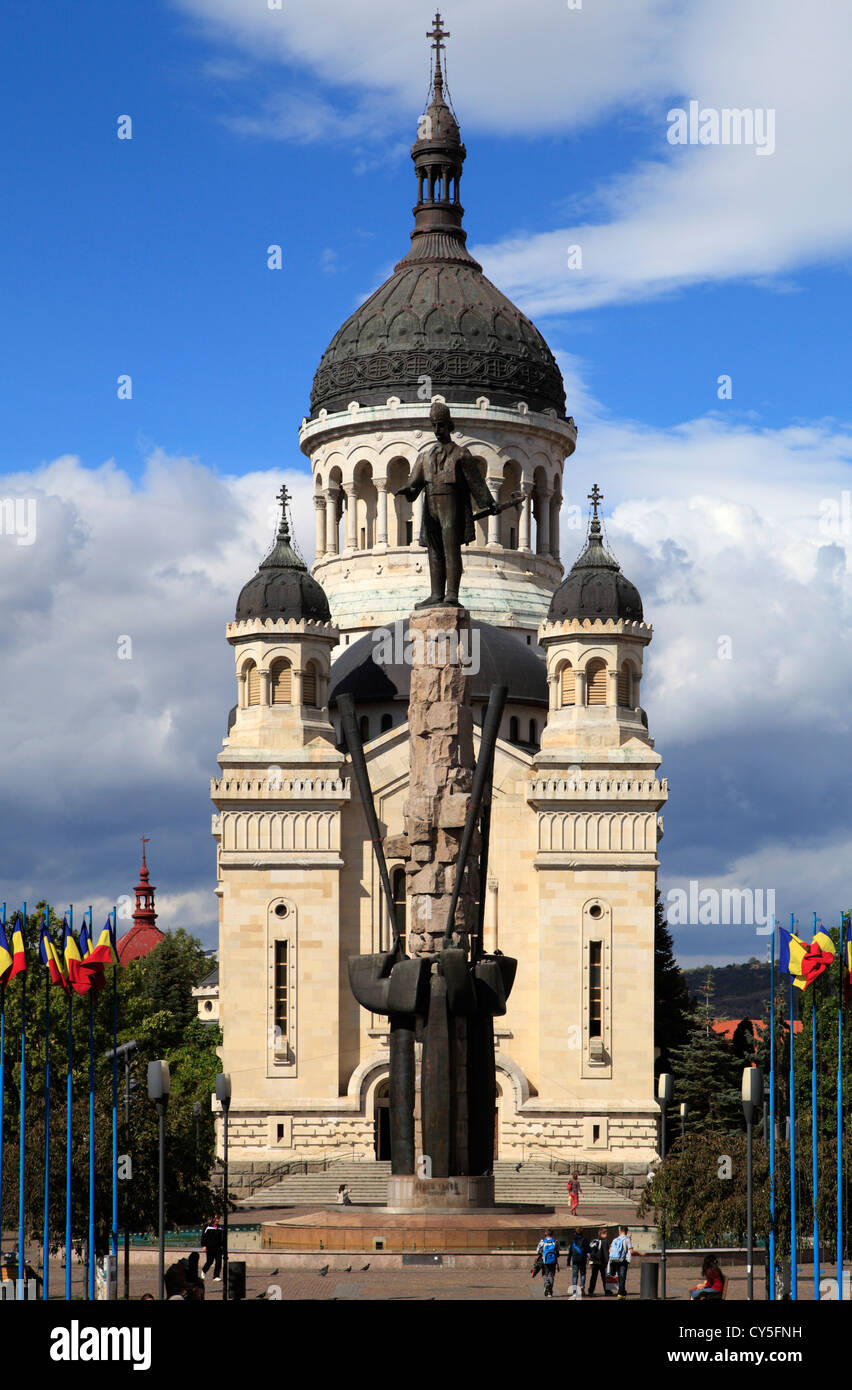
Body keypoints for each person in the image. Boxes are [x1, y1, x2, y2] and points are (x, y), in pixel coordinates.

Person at [395, 402, 499, 608]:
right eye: (434, 425)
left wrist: (489, 503)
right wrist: (407, 489)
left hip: (451, 506)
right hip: (430, 507)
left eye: (440, 425)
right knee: (434, 551)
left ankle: (451, 593)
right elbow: (414, 485)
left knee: (451, 549)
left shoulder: (461, 455)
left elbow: (476, 483)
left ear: (449, 425)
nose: (436, 430)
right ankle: (436, 594)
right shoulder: (425, 457)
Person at [608, 1225, 635, 1299]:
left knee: (620, 1277)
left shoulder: (615, 1239)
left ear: (620, 1231)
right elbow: (631, 1251)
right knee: (622, 1277)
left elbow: (610, 1250)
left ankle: (622, 1291)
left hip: (614, 1260)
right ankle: (620, 1293)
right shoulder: (627, 1239)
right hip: (623, 1261)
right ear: (626, 1231)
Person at [587, 1228, 612, 1297]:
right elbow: (605, 1253)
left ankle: (590, 1291)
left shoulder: (594, 1240)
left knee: (593, 1277)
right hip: (601, 1262)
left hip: (594, 1262)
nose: (607, 1235)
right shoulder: (604, 1242)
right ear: (602, 1234)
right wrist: (608, 1262)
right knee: (604, 1277)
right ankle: (607, 1291)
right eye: (606, 1233)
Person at [536, 1229, 560, 1298]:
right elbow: (558, 1251)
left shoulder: (542, 1241)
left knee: (544, 1274)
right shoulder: (555, 1241)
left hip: (544, 1261)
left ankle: (546, 1283)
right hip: (553, 1261)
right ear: (552, 1234)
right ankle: (550, 1292)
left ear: (545, 1234)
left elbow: (538, 1250)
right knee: (551, 1275)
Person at [201, 1215, 224, 1282]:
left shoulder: (220, 1228)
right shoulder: (207, 1227)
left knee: (219, 1262)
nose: (217, 1220)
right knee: (209, 1261)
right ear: (213, 1219)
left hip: (218, 1248)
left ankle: (216, 1276)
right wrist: (204, 1245)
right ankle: (204, 1271)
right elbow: (203, 1237)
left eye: (218, 1219)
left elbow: (222, 1239)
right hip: (210, 1247)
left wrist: (223, 1248)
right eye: (216, 1219)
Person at [569, 1230, 590, 1295]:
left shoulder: (573, 1241)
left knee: (575, 1275)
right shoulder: (585, 1240)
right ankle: (582, 1286)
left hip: (575, 1260)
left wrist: (568, 1262)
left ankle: (574, 1290)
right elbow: (588, 1249)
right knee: (583, 1274)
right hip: (583, 1259)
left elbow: (570, 1252)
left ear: (575, 1233)